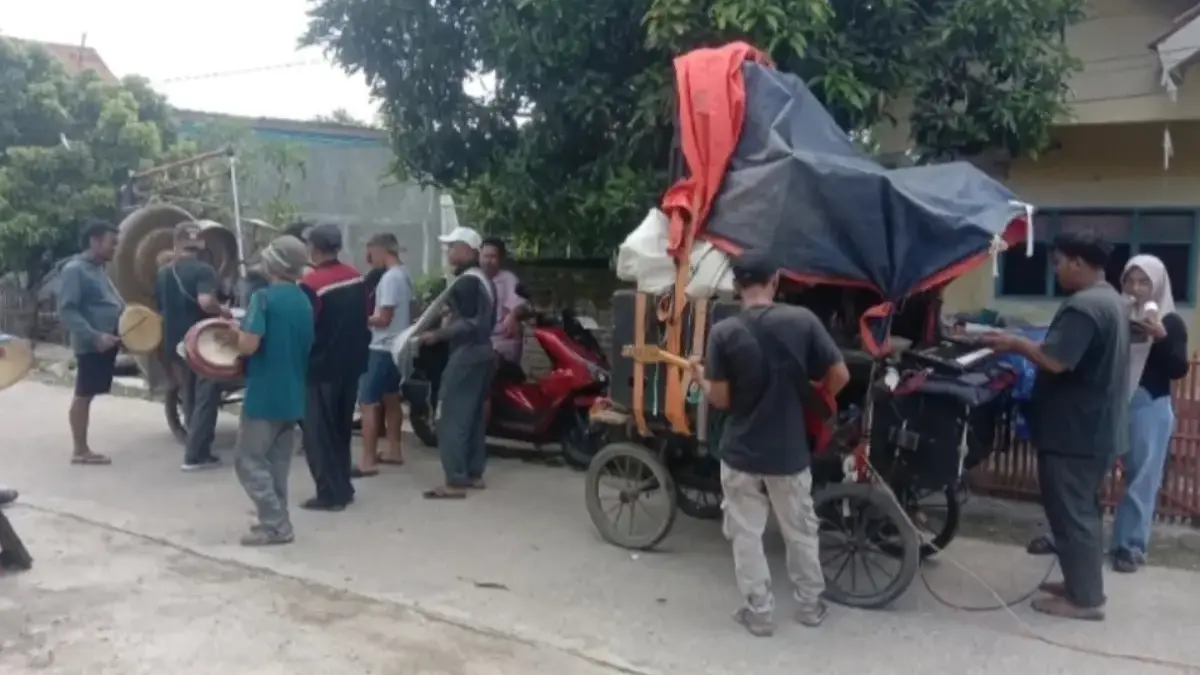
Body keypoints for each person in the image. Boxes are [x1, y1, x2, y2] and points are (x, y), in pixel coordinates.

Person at [686, 251, 849, 637]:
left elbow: (721, 400)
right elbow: (840, 375)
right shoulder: (803, 321)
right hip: (790, 453)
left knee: (746, 534)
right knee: (800, 531)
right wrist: (815, 393)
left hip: (741, 452)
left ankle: (759, 612)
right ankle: (809, 606)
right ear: (775, 280)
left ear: (736, 285)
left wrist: (698, 378)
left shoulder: (724, 332)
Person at [980, 231, 1130, 621]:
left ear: (1078, 263)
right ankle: (1081, 583)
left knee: (1072, 514)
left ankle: (1084, 601)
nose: (1057, 271)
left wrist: (1015, 343)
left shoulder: (1084, 307)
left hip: (1074, 433)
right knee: (1083, 511)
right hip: (1096, 428)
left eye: (1060, 263)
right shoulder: (1110, 298)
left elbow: (1056, 361)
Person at [218, 236, 314, 546]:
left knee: (248, 459)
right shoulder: (304, 300)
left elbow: (250, 344)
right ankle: (274, 519)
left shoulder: (264, 299)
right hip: (294, 390)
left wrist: (235, 332)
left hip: (265, 390)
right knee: (277, 463)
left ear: (272, 263)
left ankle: (275, 524)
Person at [1111, 254, 1188, 573]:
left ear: (1158, 284)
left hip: (1149, 405)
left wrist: (1161, 337)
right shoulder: (1116, 314)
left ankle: (1128, 547)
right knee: (1089, 470)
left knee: (1142, 478)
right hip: (1114, 402)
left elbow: (1178, 369)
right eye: (1130, 280)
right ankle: (1074, 539)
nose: (1136, 287)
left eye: (1144, 281)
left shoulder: (1171, 321)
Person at [417, 226, 496, 499]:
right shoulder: (482, 279)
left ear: (468, 250)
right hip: (484, 352)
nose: (449, 251)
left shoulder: (467, 281)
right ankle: (474, 473)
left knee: (449, 415)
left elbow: (471, 322)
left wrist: (437, 334)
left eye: (454, 246)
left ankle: (455, 479)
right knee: (472, 415)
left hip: (466, 353)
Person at [299, 224, 370, 511]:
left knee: (318, 434)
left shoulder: (311, 285)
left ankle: (330, 494)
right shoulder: (356, 277)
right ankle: (344, 486)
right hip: (351, 365)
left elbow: (305, 328)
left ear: (313, 248)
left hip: (320, 368)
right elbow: (366, 316)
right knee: (340, 429)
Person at [154, 222, 227, 471]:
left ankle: (193, 444)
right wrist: (223, 311)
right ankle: (197, 455)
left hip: (174, 341)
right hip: (201, 342)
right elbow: (206, 301)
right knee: (207, 395)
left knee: (190, 394)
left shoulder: (164, 272)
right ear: (201, 246)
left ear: (176, 245)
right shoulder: (203, 271)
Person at [57, 219, 124, 466]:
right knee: (83, 394)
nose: (114, 249)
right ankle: (80, 449)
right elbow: (67, 310)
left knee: (89, 392)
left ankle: (81, 447)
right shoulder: (75, 270)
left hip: (108, 341)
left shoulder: (98, 269)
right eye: (111, 243)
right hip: (93, 343)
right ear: (94, 241)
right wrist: (94, 336)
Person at [356, 233, 412, 477]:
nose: (370, 261)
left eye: (370, 254)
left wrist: (358, 320)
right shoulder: (405, 274)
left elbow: (383, 318)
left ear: (381, 251)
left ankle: (368, 459)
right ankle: (394, 450)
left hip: (381, 347)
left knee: (368, 403)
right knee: (392, 399)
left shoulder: (389, 278)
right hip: (398, 346)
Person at [480, 237, 530, 384]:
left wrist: (513, 315)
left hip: (501, 341)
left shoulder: (509, 279)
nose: (488, 261)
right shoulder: (474, 279)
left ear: (500, 259)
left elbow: (521, 305)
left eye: (493, 257)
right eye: (485, 256)